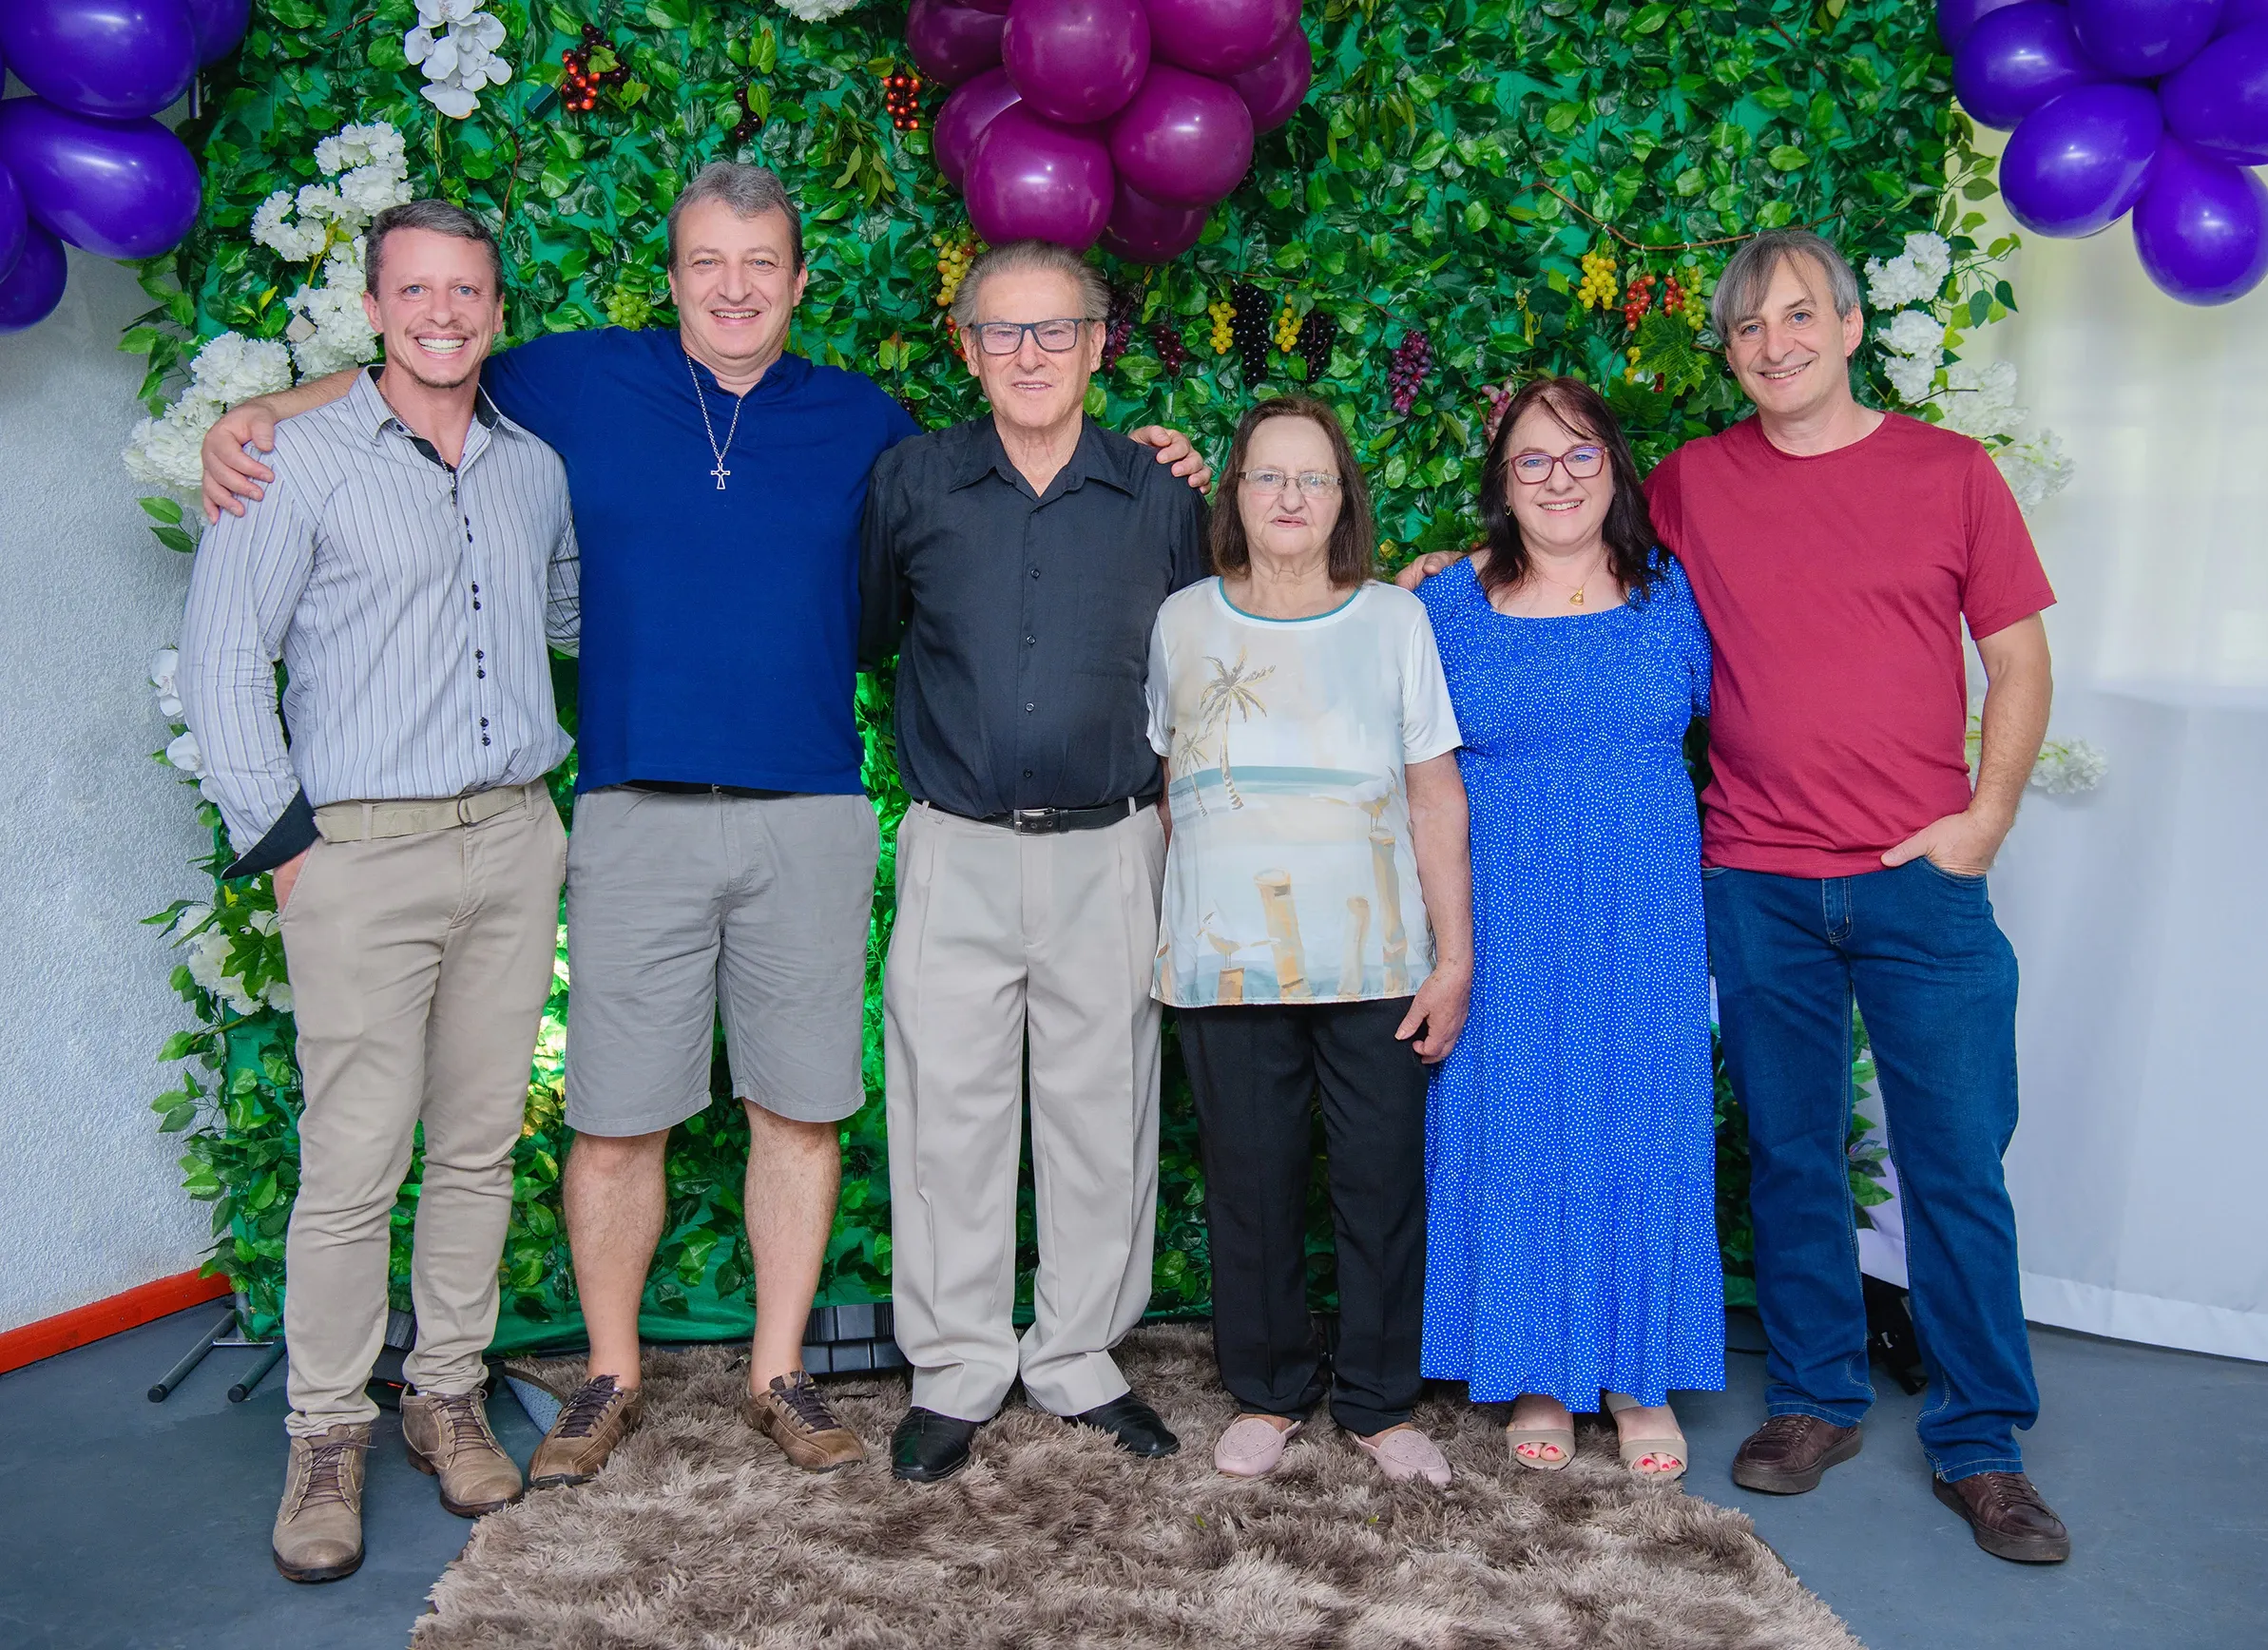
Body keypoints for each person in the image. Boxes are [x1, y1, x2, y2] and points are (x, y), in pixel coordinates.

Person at [198, 164, 1210, 1486]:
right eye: (706, 263)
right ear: (671, 277)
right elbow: (424, 362)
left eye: (760, 263)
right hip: (632, 813)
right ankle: (610, 1375)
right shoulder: (575, 382)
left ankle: (779, 1373)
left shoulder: (871, 427)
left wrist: (1162, 461)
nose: (734, 288)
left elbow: (986, 517)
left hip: (811, 813)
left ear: (799, 280)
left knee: (800, 1107)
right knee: (616, 1117)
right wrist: (267, 409)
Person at [1406, 229, 2066, 1563]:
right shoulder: (1693, 486)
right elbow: (1561, 554)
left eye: (1799, 315)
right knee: (1789, 1150)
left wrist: (1983, 820)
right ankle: (1816, 1398)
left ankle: (1981, 1441)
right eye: (1750, 326)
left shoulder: (1949, 472)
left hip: (1915, 875)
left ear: (1848, 326)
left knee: (1953, 1159)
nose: (1776, 344)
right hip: (1757, 876)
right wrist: (1429, 574)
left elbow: (2017, 658)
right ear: (1728, 350)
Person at [179, 200, 575, 1583]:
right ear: (372, 306)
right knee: (354, 1161)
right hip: (358, 852)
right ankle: (326, 1431)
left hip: (514, 839)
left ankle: (446, 1395)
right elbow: (223, 659)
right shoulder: (292, 460)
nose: (443, 314)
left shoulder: (534, 469)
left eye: (467, 291)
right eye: (416, 291)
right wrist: (290, 846)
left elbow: (569, 614)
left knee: (477, 1144)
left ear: (497, 309)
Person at [858, 240, 1209, 1484]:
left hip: (1111, 847)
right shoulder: (910, 481)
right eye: (1001, 331)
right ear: (965, 348)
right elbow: (872, 632)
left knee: (1101, 1114)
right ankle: (955, 1367)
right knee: (944, 1116)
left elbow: (1206, 661)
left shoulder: (1162, 494)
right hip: (954, 845)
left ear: (1097, 343)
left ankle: (1076, 1357)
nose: (1028, 353)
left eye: (1054, 329)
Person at [1148, 395, 1472, 1487]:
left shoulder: (1394, 620)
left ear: (1343, 499)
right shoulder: (1180, 620)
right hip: (1224, 962)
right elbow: (1168, 788)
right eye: (1268, 475)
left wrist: (1454, 956)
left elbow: (1434, 793)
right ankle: (1268, 1389)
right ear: (1234, 493)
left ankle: (1379, 1400)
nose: (1289, 496)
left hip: (1375, 961)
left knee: (1380, 1185)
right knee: (1251, 1184)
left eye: (1313, 477)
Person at [1410, 376, 1720, 1481]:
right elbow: (1411, 770)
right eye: (1531, 459)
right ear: (1501, 481)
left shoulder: (1672, 596)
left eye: (1580, 455)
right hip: (1505, 917)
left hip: (1643, 918)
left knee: (1640, 1124)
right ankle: (1535, 1367)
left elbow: (1750, 723)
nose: (1557, 479)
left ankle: (1639, 1375)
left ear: (1615, 470)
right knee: (1519, 1127)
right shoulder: (1444, 604)